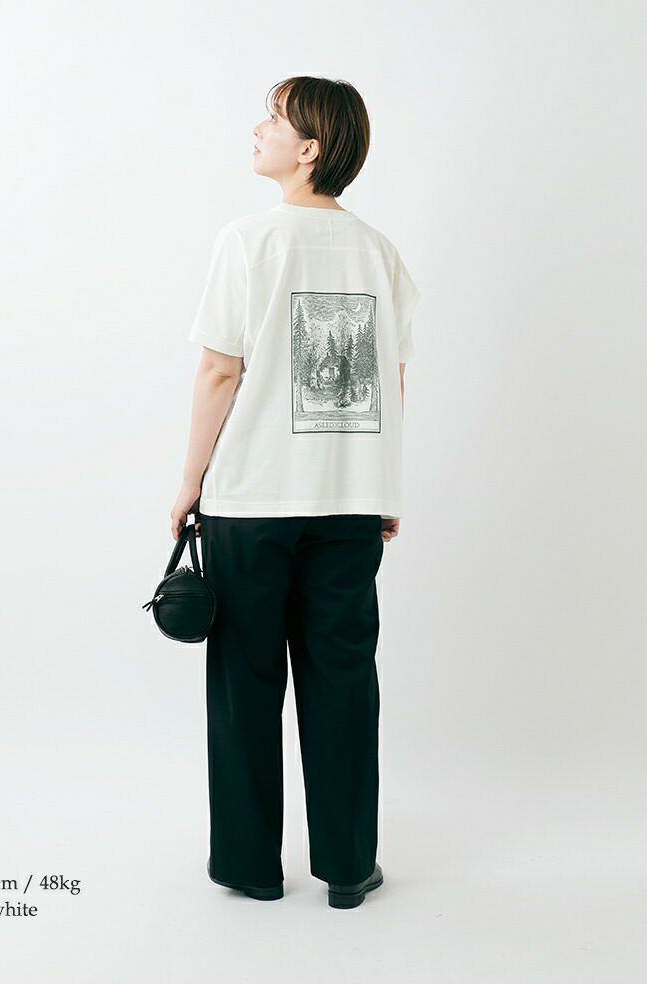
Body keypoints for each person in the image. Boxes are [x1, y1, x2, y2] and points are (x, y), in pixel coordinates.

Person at [170, 75, 420, 909]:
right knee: (343, 680)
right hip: (348, 501)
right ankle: (348, 869)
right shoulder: (379, 252)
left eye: (273, 118)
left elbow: (219, 370)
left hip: (250, 501)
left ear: (309, 148)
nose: (258, 129)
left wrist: (190, 481)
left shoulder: (249, 240)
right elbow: (391, 378)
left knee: (245, 685)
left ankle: (249, 866)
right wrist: (384, 487)